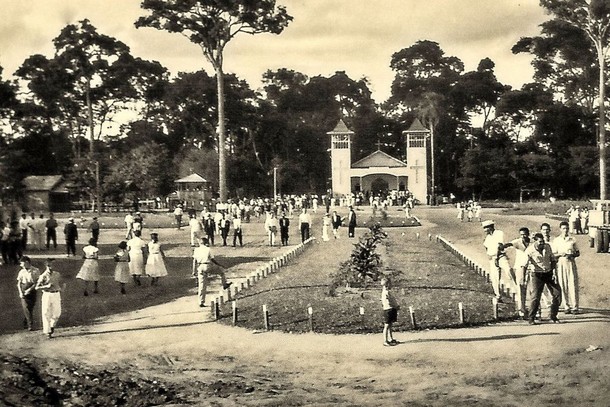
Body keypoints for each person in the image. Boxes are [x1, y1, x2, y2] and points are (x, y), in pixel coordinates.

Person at [525, 233, 562, 324]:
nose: (542, 244)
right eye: (540, 242)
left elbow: (553, 260)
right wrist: (523, 278)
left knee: (557, 293)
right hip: (537, 275)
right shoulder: (529, 250)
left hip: (548, 273)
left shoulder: (547, 246)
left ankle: (553, 316)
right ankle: (531, 318)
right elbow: (524, 265)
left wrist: (554, 272)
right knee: (535, 297)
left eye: (543, 241)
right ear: (535, 241)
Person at [482, 220, 516, 301]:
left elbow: (499, 246)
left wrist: (497, 257)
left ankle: (518, 288)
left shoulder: (499, 233)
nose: (484, 230)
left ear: (490, 227)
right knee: (495, 277)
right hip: (492, 258)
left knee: (509, 271)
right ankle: (498, 295)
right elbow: (486, 247)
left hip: (500, 256)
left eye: (486, 228)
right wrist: (489, 255)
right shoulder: (488, 237)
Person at [193, 237, 231, 307]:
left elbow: (194, 261)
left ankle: (201, 302)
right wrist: (220, 265)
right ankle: (224, 284)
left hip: (200, 267)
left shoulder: (196, 250)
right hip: (208, 265)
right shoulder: (208, 249)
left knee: (202, 285)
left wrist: (193, 271)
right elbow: (212, 259)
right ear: (206, 243)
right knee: (221, 272)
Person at [503, 227, 531, 318]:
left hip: (531, 267)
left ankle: (534, 311)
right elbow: (509, 244)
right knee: (520, 288)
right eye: (522, 234)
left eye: (525, 234)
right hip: (520, 267)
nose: (523, 236)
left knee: (532, 289)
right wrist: (503, 246)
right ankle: (522, 311)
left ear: (528, 234)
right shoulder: (518, 242)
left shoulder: (532, 242)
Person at [553, 221, 580, 314]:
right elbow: (553, 254)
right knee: (562, 284)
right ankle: (566, 306)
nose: (565, 230)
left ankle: (575, 306)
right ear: (560, 229)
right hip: (560, 263)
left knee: (572, 284)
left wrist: (572, 255)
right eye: (564, 228)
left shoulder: (572, 239)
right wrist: (560, 254)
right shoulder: (556, 240)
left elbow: (578, 252)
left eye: (567, 228)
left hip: (570, 262)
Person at [34, 258, 64, 339]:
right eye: (49, 265)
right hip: (47, 294)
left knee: (57, 312)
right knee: (46, 312)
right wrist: (46, 286)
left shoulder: (57, 274)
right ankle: (48, 331)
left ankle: (52, 326)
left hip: (56, 294)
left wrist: (62, 288)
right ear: (46, 266)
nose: (51, 267)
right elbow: (37, 287)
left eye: (53, 265)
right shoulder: (43, 276)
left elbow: (62, 282)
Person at [16, 256, 41, 330]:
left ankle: (25, 321)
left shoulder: (36, 270)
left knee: (30, 307)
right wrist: (20, 292)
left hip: (32, 290)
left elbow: (37, 282)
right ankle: (30, 325)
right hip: (24, 288)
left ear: (27, 262)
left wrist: (30, 290)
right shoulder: (21, 271)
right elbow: (19, 283)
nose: (21, 265)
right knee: (26, 307)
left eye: (22, 263)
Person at [381, 276, 399, 346]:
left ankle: (391, 339)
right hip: (388, 309)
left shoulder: (388, 292)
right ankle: (385, 340)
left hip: (391, 309)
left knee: (390, 325)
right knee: (387, 325)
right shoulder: (385, 293)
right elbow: (389, 302)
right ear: (387, 285)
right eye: (390, 284)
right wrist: (395, 306)